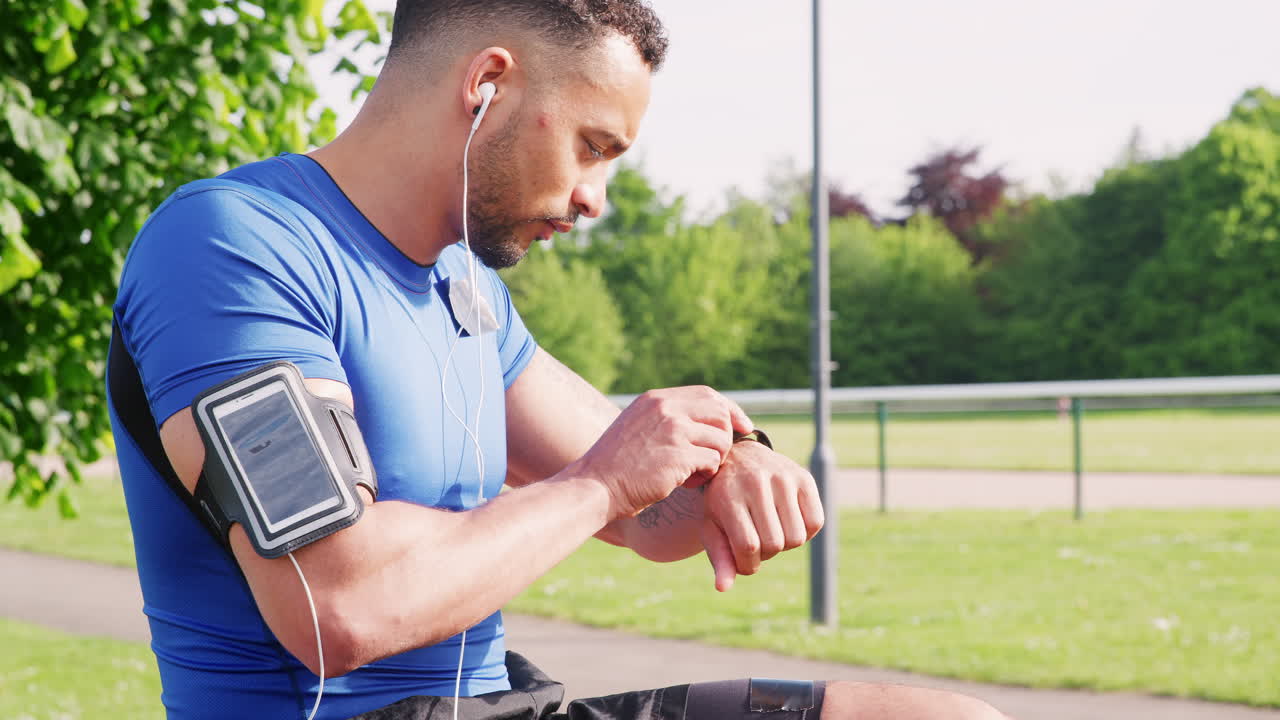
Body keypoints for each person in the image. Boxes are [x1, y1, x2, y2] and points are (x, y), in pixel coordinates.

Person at [107, 1, 1010, 718]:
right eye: (592, 147)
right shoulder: (232, 247)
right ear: (488, 83)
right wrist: (599, 487)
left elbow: (657, 517)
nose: (595, 198)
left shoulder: (464, 287)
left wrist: (734, 460)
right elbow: (338, 608)